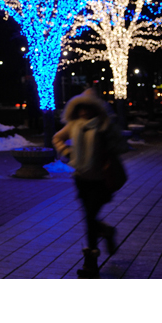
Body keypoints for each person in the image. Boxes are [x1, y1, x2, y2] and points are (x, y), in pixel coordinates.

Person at [53, 89, 120, 278]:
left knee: (90, 218)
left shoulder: (103, 125)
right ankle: (105, 232)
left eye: (87, 108)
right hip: (81, 179)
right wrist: (66, 152)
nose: (83, 112)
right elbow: (57, 138)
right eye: (80, 108)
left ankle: (90, 263)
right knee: (89, 218)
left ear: (95, 109)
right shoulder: (74, 125)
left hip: (100, 180)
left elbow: (118, 147)